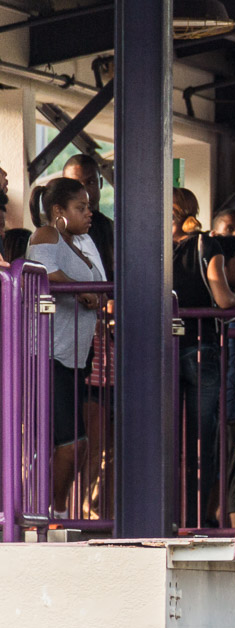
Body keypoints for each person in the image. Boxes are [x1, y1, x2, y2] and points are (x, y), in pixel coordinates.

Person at [25, 177, 104, 512]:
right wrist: (80, 288)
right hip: (48, 354)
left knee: (78, 445)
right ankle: (48, 514)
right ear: (58, 210)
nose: (89, 214)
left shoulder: (79, 244)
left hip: (75, 357)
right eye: (81, 207)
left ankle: (52, 510)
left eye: (89, 207)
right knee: (71, 444)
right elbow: (42, 272)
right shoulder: (47, 235)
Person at [172, 188, 235, 527]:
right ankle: (198, 516)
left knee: (166, 436)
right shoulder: (205, 245)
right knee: (204, 439)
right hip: (202, 347)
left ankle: (166, 513)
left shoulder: (145, 243)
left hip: (160, 349)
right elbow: (223, 297)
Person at [62, 155, 113, 280]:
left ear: (100, 183)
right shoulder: (55, 230)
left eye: (90, 182)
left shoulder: (112, 228)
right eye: (75, 184)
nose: (84, 191)